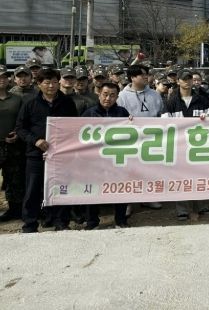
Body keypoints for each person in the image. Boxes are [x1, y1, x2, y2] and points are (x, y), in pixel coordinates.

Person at [16, 68, 78, 233]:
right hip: (35, 155)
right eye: (47, 82)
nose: (51, 86)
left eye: (55, 82)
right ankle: (30, 224)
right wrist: (35, 141)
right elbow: (20, 128)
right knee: (32, 190)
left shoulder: (67, 103)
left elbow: (74, 127)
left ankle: (61, 222)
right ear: (39, 84)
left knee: (61, 188)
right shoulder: (30, 103)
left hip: (61, 154)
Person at [163, 69, 209, 220]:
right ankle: (182, 210)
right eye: (184, 79)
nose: (187, 82)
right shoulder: (171, 102)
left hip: (198, 146)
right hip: (179, 147)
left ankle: (203, 205)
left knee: (201, 175)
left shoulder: (202, 100)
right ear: (178, 81)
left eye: (189, 79)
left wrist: (207, 118)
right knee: (180, 177)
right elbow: (164, 123)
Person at [81, 82, 131, 228]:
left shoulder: (122, 112)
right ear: (99, 94)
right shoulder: (89, 113)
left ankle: (120, 220)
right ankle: (92, 222)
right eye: (105, 94)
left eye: (112, 95)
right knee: (93, 190)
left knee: (120, 188)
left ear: (117, 97)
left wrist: (132, 122)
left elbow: (131, 133)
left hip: (116, 158)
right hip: (95, 160)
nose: (108, 98)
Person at [0, 66, 24, 221]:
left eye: (4, 76)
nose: (2, 80)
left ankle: (14, 210)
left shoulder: (16, 99)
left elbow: (21, 120)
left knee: (12, 179)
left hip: (12, 146)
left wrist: (17, 132)